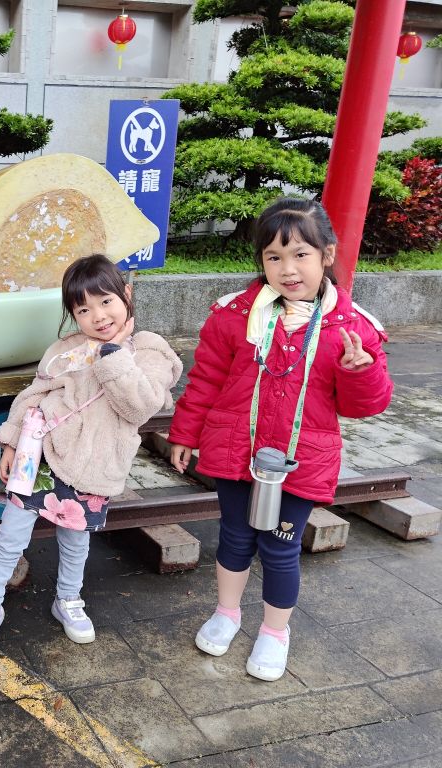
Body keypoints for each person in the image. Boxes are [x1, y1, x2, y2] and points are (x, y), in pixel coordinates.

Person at [167, 197, 393, 681]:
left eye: (300, 255)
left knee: (281, 547)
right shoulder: (234, 314)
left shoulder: (352, 328)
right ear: (261, 261)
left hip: (301, 459)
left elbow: (364, 406)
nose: (288, 269)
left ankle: (274, 632)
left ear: (327, 255)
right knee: (234, 537)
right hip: (237, 450)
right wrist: (184, 432)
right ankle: (227, 613)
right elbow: (206, 380)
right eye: (274, 256)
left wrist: (360, 371)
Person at [0, 254, 182, 666]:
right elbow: (34, 395)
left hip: (95, 463)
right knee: (9, 538)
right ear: (72, 314)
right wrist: (10, 443)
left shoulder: (151, 350)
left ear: (126, 294)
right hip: (42, 454)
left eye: (106, 301)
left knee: (76, 539)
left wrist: (112, 353)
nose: (98, 316)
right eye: (83, 309)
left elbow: (139, 406)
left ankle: (68, 599)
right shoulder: (64, 350)